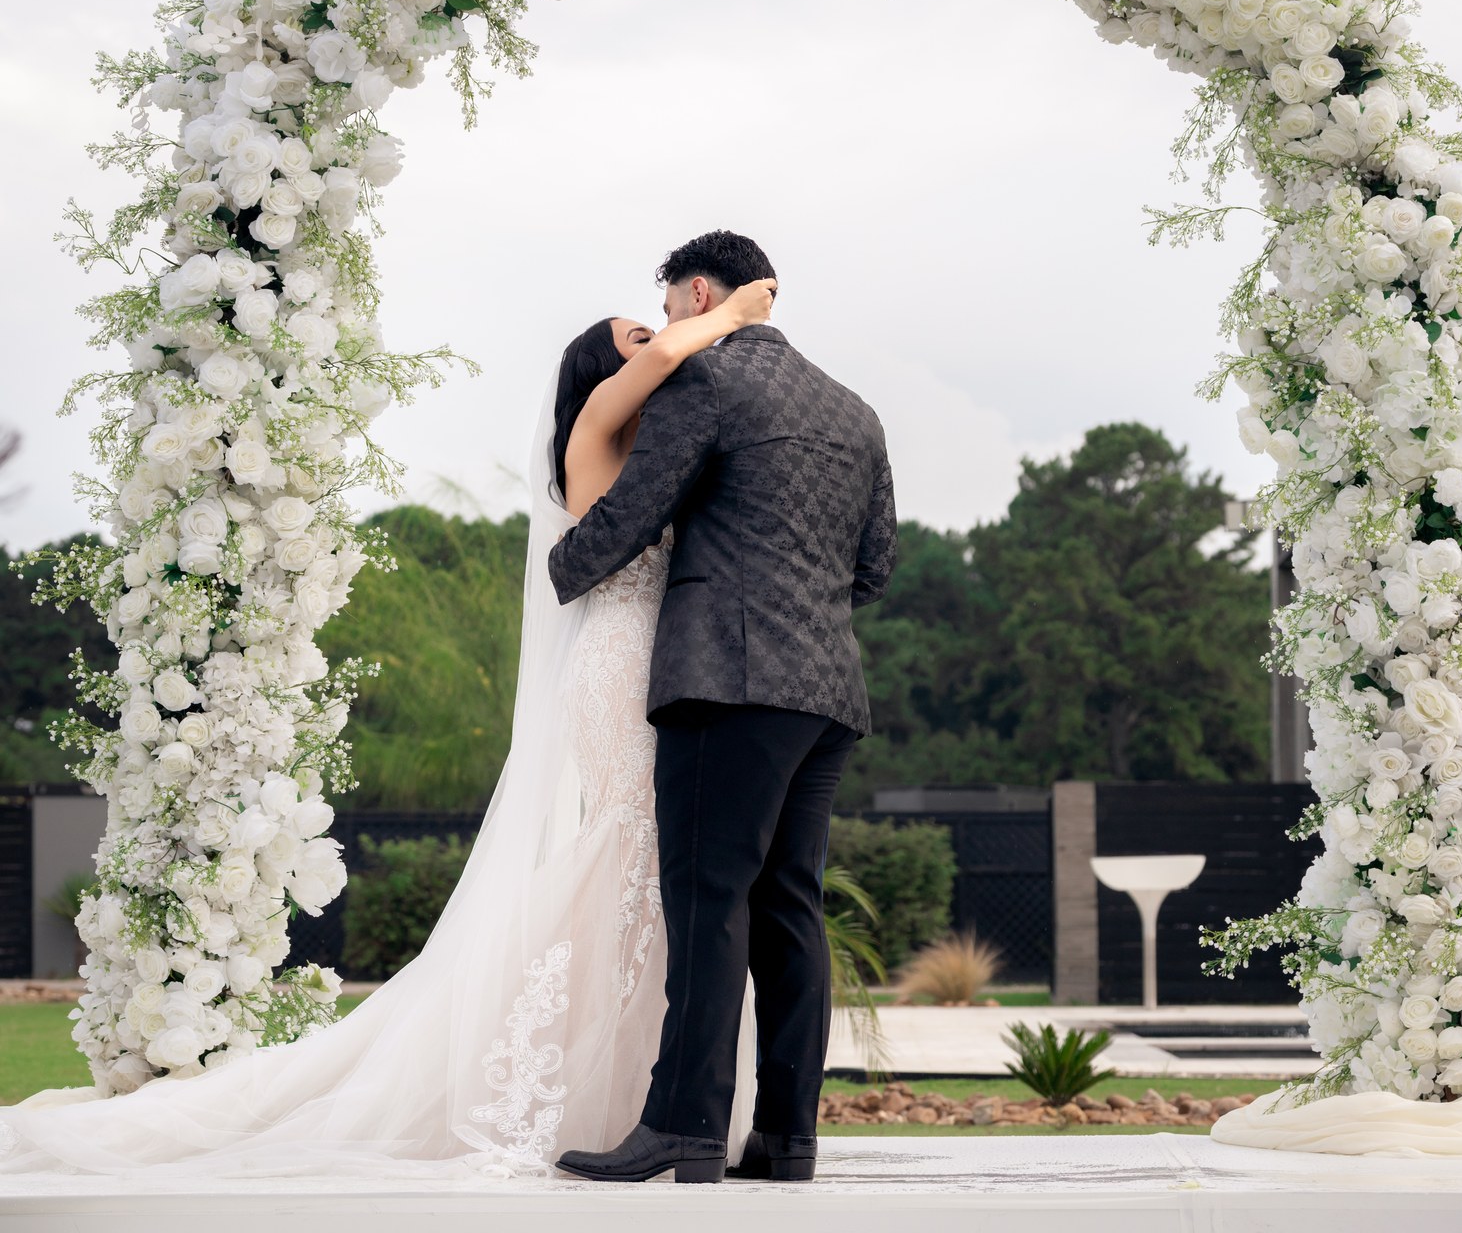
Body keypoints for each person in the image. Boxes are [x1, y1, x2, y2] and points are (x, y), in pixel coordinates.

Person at [0, 272, 780, 1180]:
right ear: (600, 370)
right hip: (619, 668)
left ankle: (647, 1094)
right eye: (635, 335)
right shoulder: (601, 420)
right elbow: (673, 365)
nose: (654, 340)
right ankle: (615, 1093)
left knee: (651, 870)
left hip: (669, 661)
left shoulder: (661, 451)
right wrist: (729, 315)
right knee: (640, 857)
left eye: (656, 329)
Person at [549, 229, 897, 1184]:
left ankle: (684, 1128)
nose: (666, 326)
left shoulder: (705, 385)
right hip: (827, 689)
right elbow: (876, 569)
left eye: (665, 310)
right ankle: (787, 1138)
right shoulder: (857, 411)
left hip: (726, 679)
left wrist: (564, 568)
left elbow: (632, 510)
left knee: (706, 904)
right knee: (790, 909)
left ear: (699, 293)